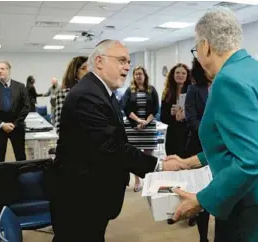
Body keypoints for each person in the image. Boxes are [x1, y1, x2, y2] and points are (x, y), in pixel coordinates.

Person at [165, 9, 258, 242]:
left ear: (206, 46)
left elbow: (252, 160)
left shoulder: (229, 80)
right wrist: (188, 162)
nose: (197, 56)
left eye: (196, 49)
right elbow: (244, 140)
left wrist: (202, 200)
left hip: (256, 204)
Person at [49, 39, 187, 242]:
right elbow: (110, 147)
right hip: (80, 197)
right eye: (121, 60)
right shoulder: (87, 96)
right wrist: (158, 165)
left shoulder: (102, 92)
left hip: (93, 194)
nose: (128, 67)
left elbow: (115, 139)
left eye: (129, 62)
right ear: (99, 61)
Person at [184, 57, 212, 242]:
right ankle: (203, 237)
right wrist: (212, 134)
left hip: (224, 148)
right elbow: (191, 117)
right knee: (203, 191)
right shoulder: (194, 89)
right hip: (199, 145)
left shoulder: (224, 86)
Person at [122, 66, 159, 192]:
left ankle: (149, 180)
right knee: (135, 156)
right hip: (134, 127)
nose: (138, 76)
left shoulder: (151, 90)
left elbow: (155, 108)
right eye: (136, 74)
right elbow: (126, 108)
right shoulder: (129, 91)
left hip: (148, 126)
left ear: (145, 75)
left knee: (148, 155)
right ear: (133, 76)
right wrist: (138, 121)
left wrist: (146, 122)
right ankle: (137, 180)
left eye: (140, 74)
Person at [0, 60, 30, 163]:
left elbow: (26, 106)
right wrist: (2, 124)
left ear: (9, 70)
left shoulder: (20, 87)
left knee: (20, 156)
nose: (0, 71)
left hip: (17, 127)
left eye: (2, 69)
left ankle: (22, 177)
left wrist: (15, 124)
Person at [160, 63, 192, 157]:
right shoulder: (167, 93)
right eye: (177, 73)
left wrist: (185, 114)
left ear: (187, 76)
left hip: (189, 133)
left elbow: (199, 113)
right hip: (173, 134)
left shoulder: (193, 92)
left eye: (183, 73)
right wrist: (172, 115)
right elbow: (163, 117)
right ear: (173, 75)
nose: (180, 75)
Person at [54, 56, 88, 134]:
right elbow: (60, 126)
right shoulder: (64, 94)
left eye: (90, 68)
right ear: (75, 73)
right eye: (83, 68)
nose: (88, 71)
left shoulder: (95, 93)